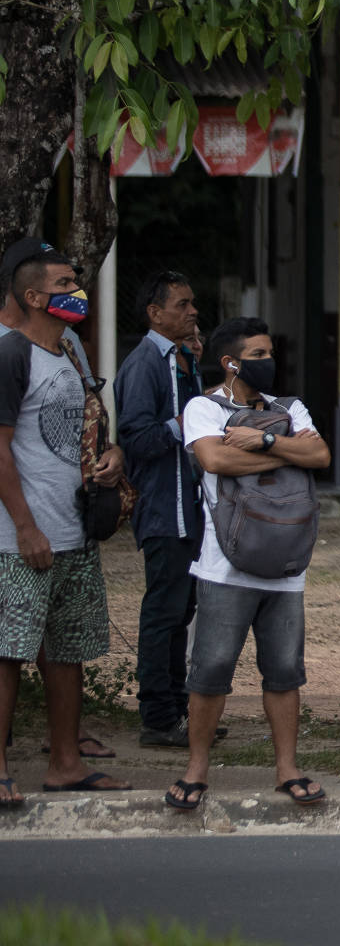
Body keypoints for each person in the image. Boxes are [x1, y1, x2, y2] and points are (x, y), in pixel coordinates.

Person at [166, 317, 333, 812]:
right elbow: (215, 462)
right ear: (231, 363)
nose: (268, 361)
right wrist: (289, 454)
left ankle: (288, 769)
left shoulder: (289, 407)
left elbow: (320, 454)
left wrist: (262, 443)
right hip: (225, 564)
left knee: (284, 670)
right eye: (257, 354)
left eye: (269, 351)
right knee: (211, 668)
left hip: (285, 562)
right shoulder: (202, 406)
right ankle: (196, 769)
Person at [0, 245, 129, 802]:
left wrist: (113, 455)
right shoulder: (11, 356)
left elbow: (88, 428)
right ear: (33, 297)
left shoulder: (71, 351)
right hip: (20, 540)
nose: (76, 288)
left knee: (66, 652)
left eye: (75, 280)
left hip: (74, 534)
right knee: (8, 652)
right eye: (64, 282)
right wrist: (26, 528)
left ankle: (66, 764)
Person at [114, 268, 206, 747]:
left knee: (181, 609)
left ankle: (177, 711)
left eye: (192, 304)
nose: (192, 312)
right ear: (155, 313)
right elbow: (135, 438)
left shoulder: (180, 359)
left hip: (186, 508)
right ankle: (157, 717)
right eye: (182, 305)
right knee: (163, 612)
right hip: (162, 507)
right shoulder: (145, 363)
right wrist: (185, 419)